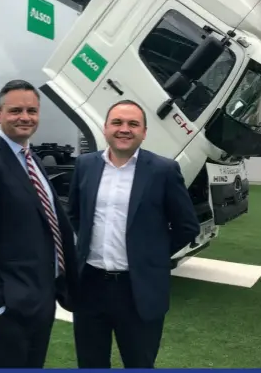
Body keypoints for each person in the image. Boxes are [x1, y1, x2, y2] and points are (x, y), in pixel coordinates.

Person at [67, 99, 200, 369]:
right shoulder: (85, 165)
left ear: (144, 132)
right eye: (117, 122)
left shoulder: (163, 170)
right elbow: (75, 214)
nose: (124, 129)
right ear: (105, 129)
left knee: (139, 363)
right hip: (90, 286)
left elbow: (187, 226)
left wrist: (151, 257)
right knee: (90, 363)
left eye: (132, 124)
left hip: (138, 290)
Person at [0, 79, 79, 369]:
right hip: (9, 308)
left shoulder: (33, 159)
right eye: (15, 111)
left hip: (41, 300)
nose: (25, 117)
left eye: (32, 110)